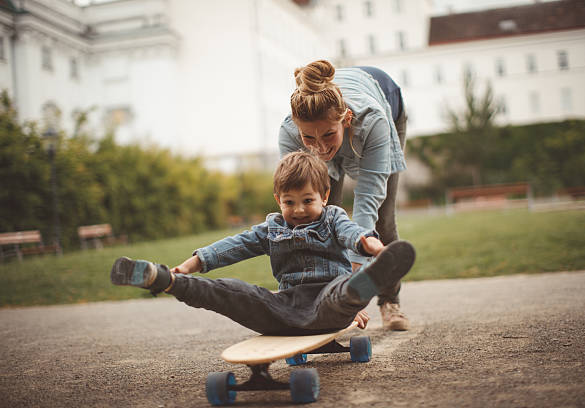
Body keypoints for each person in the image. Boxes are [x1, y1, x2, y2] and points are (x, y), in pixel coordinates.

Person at [110, 151, 415, 335]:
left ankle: (363, 287)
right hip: (285, 308)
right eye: (289, 202)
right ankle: (168, 280)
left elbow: (351, 232)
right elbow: (234, 245)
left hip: (328, 301)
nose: (297, 210)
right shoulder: (273, 228)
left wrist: (374, 247)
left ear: (324, 196)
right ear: (277, 200)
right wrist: (192, 264)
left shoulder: (332, 217)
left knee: (341, 294)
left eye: (307, 200)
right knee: (234, 292)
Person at [279, 59, 410, 330]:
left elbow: (367, 201)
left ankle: (390, 301)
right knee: (318, 217)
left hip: (386, 100)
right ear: (297, 127)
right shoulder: (290, 134)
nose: (320, 148)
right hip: (338, 112)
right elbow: (303, 215)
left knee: (382, 223)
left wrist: (351, 287)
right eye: (309, 138)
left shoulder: (372, 120)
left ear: (346, 120)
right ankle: (320, 299)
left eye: (328, 135)